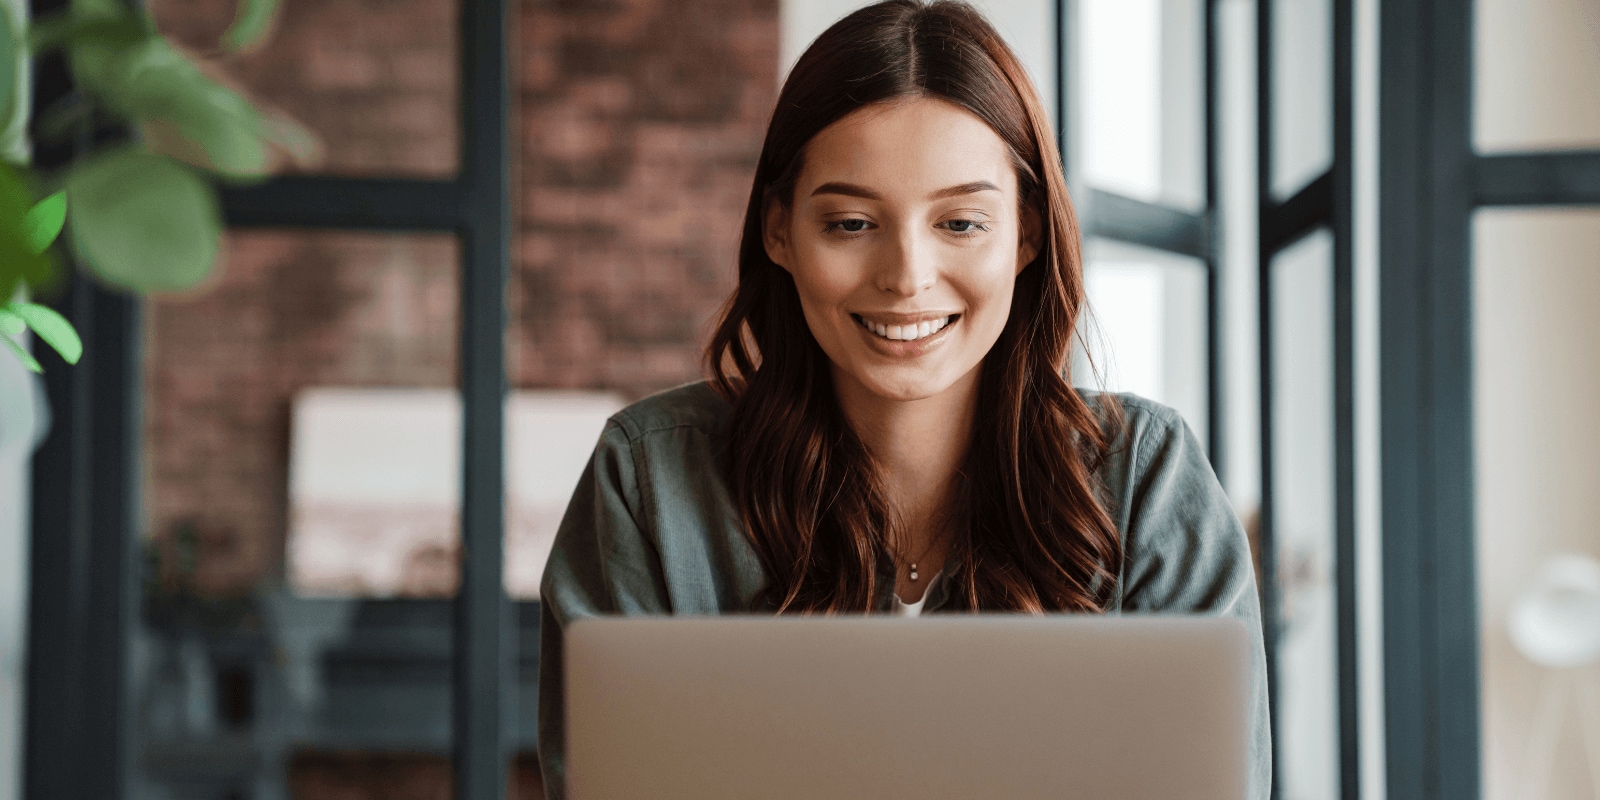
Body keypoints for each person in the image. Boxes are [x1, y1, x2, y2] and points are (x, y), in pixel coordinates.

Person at [536, 1, 1270, 797]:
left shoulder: (1145, 480)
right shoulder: (649, 480)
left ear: (1025, 233)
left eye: (960, 222)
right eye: (851, 223)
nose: (907, 276)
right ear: (779, 232)